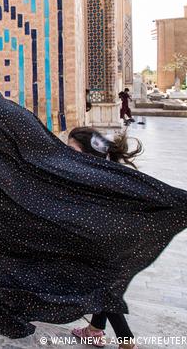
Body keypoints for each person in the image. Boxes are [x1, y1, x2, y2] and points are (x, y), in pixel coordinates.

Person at [0, 59, 187, 348]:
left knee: (77, 262)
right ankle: (101, 329)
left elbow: (50, 158)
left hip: (2, 214)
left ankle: (112, 330)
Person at [67, 128, 142, 349]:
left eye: (72, 149)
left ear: (90, 153)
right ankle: (94, 330)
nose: (67, 153)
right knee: (103, 287)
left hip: (103, 242)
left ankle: (126, 341)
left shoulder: (92, 177)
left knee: (104, 289)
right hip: (108, 241)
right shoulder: (103, 172)